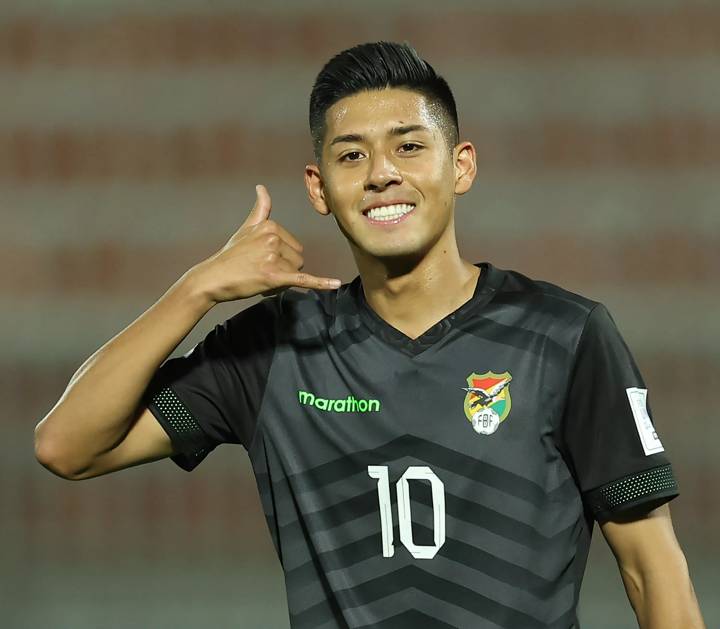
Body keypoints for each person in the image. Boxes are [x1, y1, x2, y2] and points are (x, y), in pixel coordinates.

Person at [34, 41, 704, 628]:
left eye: (409, 146)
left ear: (461, 165)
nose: (383, 172)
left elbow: (651, 567)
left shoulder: (564, 336)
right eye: (352, 155)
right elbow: (68, 445)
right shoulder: (271, 351)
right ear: (319, 187)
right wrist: (196, 290)